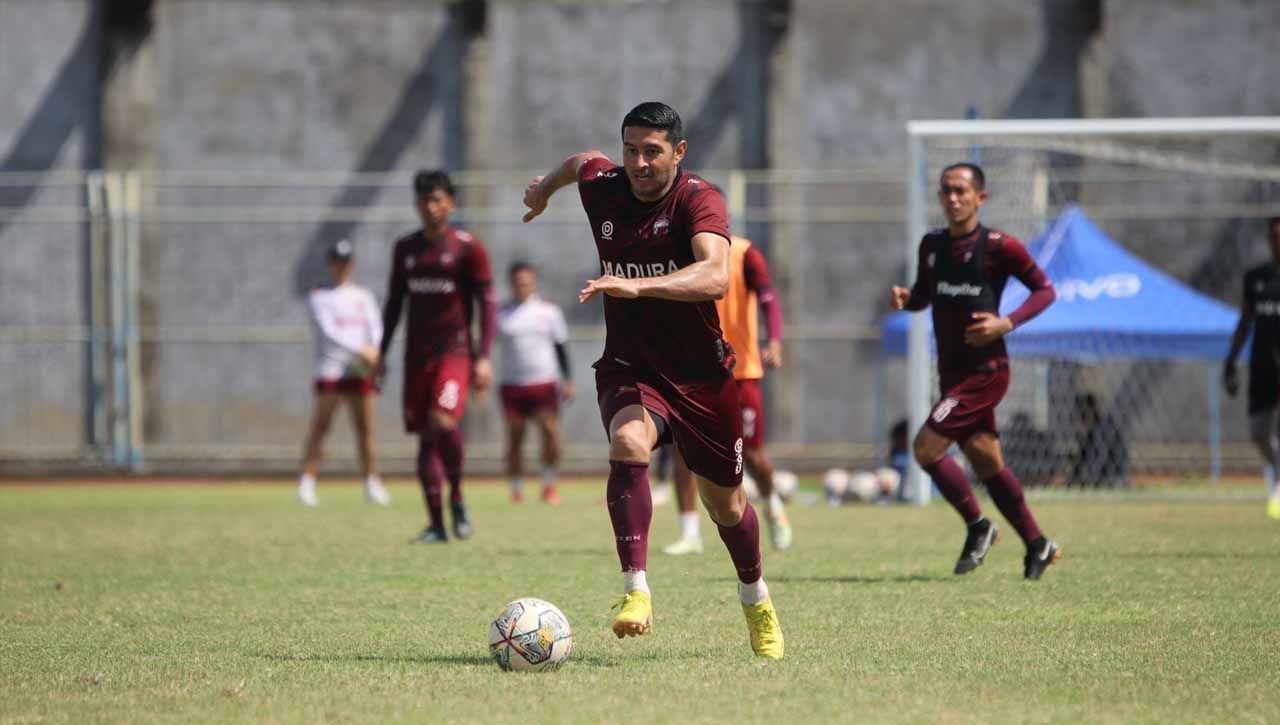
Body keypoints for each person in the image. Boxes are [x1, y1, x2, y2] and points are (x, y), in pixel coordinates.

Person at [521, 101, 783, 658]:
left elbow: (715, 277)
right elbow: (579, 163)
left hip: (701, 376)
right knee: (628, 440)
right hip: (631, 364)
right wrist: (544, 188)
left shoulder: (698, 198)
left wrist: (638, 286)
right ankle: (635, 589)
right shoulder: (604, 183)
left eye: (652, 151)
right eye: (631, 149)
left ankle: (756, 599)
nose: (639, 162)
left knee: (727, 508)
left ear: (678, 153)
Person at [889, 162, 1061, 580]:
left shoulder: (1000, 247)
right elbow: (927, 296)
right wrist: (908, 299)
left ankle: (978, 525)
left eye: (962, 191)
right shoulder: (931, 246)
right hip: (951, 372)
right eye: (946, 190)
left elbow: (1046, 290)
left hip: (986, 371)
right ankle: (1039, 544)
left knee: (926, 449)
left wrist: (1006, 323)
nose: (953, 198)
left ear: (980, 198)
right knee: (987, 464)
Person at [380, 170, 496, 543]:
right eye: (424, 201)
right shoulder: (406, 249)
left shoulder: (466, 247)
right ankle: (436, 525)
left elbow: (487, 303)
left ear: (451, 203)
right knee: (426, 437)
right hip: (417, 356)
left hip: (455, 352)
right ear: (416, 205)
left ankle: (458, 497)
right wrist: (381, 352)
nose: (431, 207)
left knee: (443, 421)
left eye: (438, 200)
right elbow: (395, 303)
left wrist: (483, 357)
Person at [664, 234, 791, 555]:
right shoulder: (677, 252)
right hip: (692, 371)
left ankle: (772, 502)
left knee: (750, 453)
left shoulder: (745, 254)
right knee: (683, 450)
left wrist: (774, 341)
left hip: (741, 371)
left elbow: (767, 298)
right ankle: (690, 532)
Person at [297, 239, 390, 507]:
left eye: (346, 262)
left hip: (360, 371)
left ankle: (372, 483)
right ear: (330, 265)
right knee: (321, 427)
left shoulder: (363, 296)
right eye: (337, 262)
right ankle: (307, 482)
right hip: (332, 368)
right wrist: (362, 349)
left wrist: (375, 352)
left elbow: (376, 327)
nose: (341, 267)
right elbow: (330, 332)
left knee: (365, 429)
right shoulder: (318, 296)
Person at [496, 261, 575, 505]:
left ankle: (549, 485)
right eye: (518, 282)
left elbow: (561, 347)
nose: (522, 286)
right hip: (512, 384)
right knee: (515, 438)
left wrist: (568, 379)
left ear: (534, 283)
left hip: (543, 382)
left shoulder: (548, 312)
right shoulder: (501, 314)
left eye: (526, 282)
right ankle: (516, 488)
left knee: (550, 433)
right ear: (511, 284)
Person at [1224, 216, 1280, 520]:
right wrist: (1231, 361)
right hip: (1262, 367)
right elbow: (1246, 322)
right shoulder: (1256, 278)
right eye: (1274, 236)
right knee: (1258, 433)